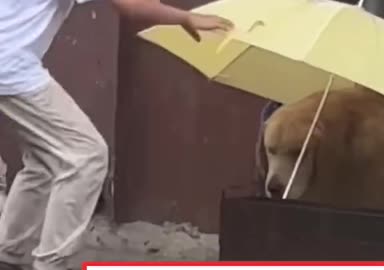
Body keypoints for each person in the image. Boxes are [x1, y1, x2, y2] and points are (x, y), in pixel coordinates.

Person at [0, 1, 234, 270]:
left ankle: (7, 254)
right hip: (10, 68)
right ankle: (53, 262)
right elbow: (131, 5)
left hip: (8, 63)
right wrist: (185, 18)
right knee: (87, 156)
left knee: (44, 160)